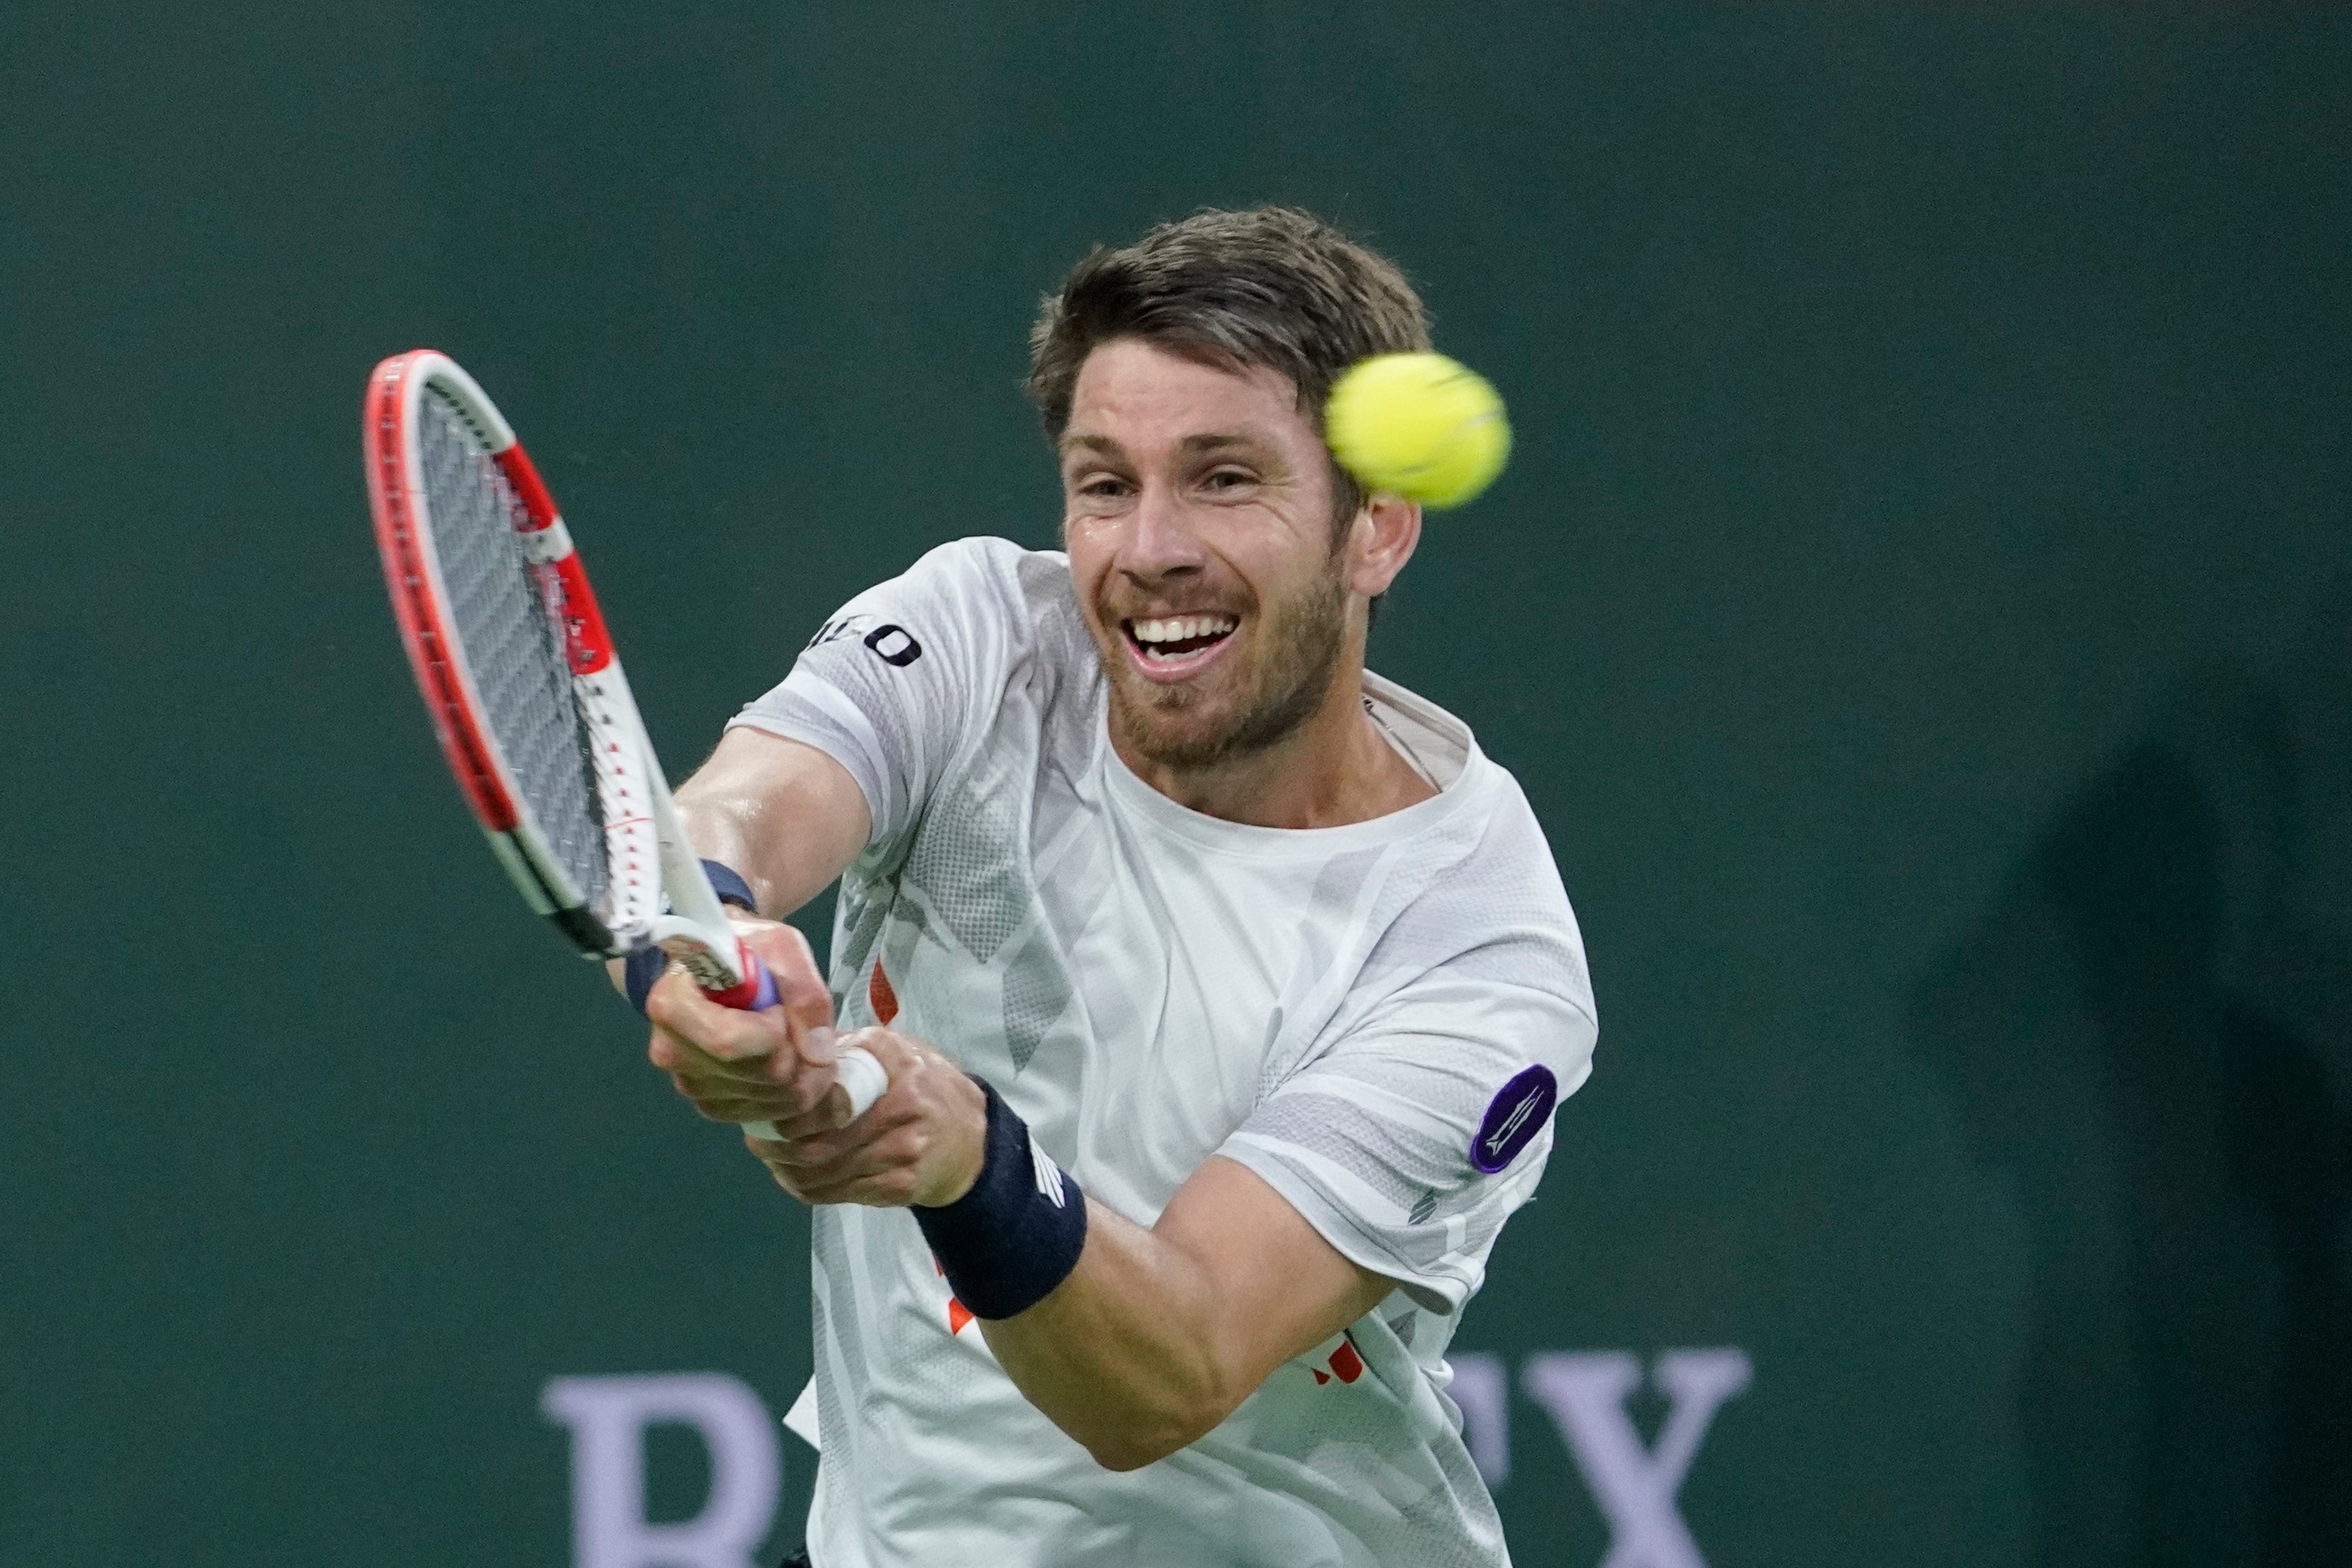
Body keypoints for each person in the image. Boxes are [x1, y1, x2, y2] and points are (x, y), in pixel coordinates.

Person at [631, 206, 1597, 1568]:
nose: (1149, 548)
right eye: (1104, 482)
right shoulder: (983, 639)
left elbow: (1168, 1371)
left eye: (1222, 478)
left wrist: (967, 1154)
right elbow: (722, 821)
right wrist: (713, 948)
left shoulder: (1471, 946)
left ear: (1375, 528)